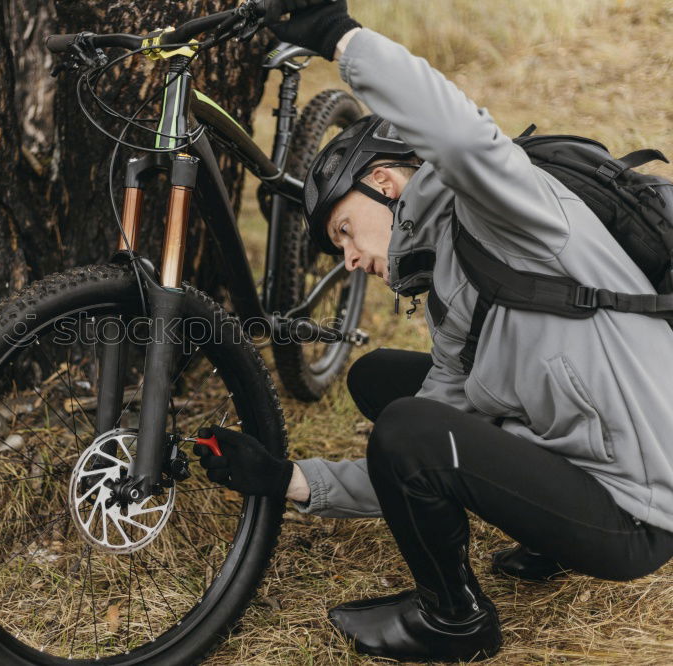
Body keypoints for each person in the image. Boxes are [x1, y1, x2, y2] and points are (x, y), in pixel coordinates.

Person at [195, 1, 673, 662]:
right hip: (585, 454)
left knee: (409, 429)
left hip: (638, 509)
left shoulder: (505, 212)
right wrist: (285, 480)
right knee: (384, 385)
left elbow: (460, 136)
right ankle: (547, 535)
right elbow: (421, 443)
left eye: (344, 234)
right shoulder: (451, 295)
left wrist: (340, 37)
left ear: (385, 181)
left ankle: (455, 621)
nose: (353, 262)